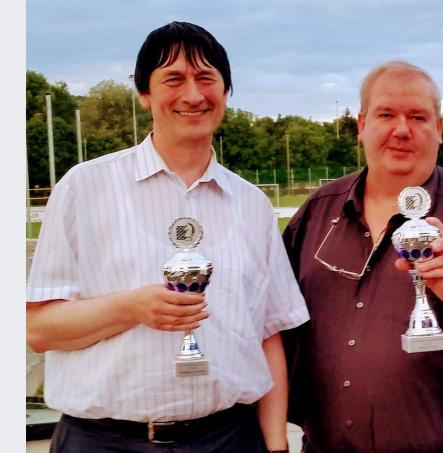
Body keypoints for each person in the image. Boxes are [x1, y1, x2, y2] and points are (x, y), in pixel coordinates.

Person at [26, 21, 309, 453]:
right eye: (173, 79)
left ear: (226, 92)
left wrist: (276, 445)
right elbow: (38, 329)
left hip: (229, 439)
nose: (193, 95)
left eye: (206, 78)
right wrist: (132, 307)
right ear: (144, 93)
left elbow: (269, 334)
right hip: (104, 441)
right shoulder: (83, 188)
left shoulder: (251, 204)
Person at [282, 60, 443, 452]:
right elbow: (274, 323)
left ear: (439, 130)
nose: (401, 130)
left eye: (418, 117)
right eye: (386, 114)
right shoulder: (318, 213)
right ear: (361, 125)